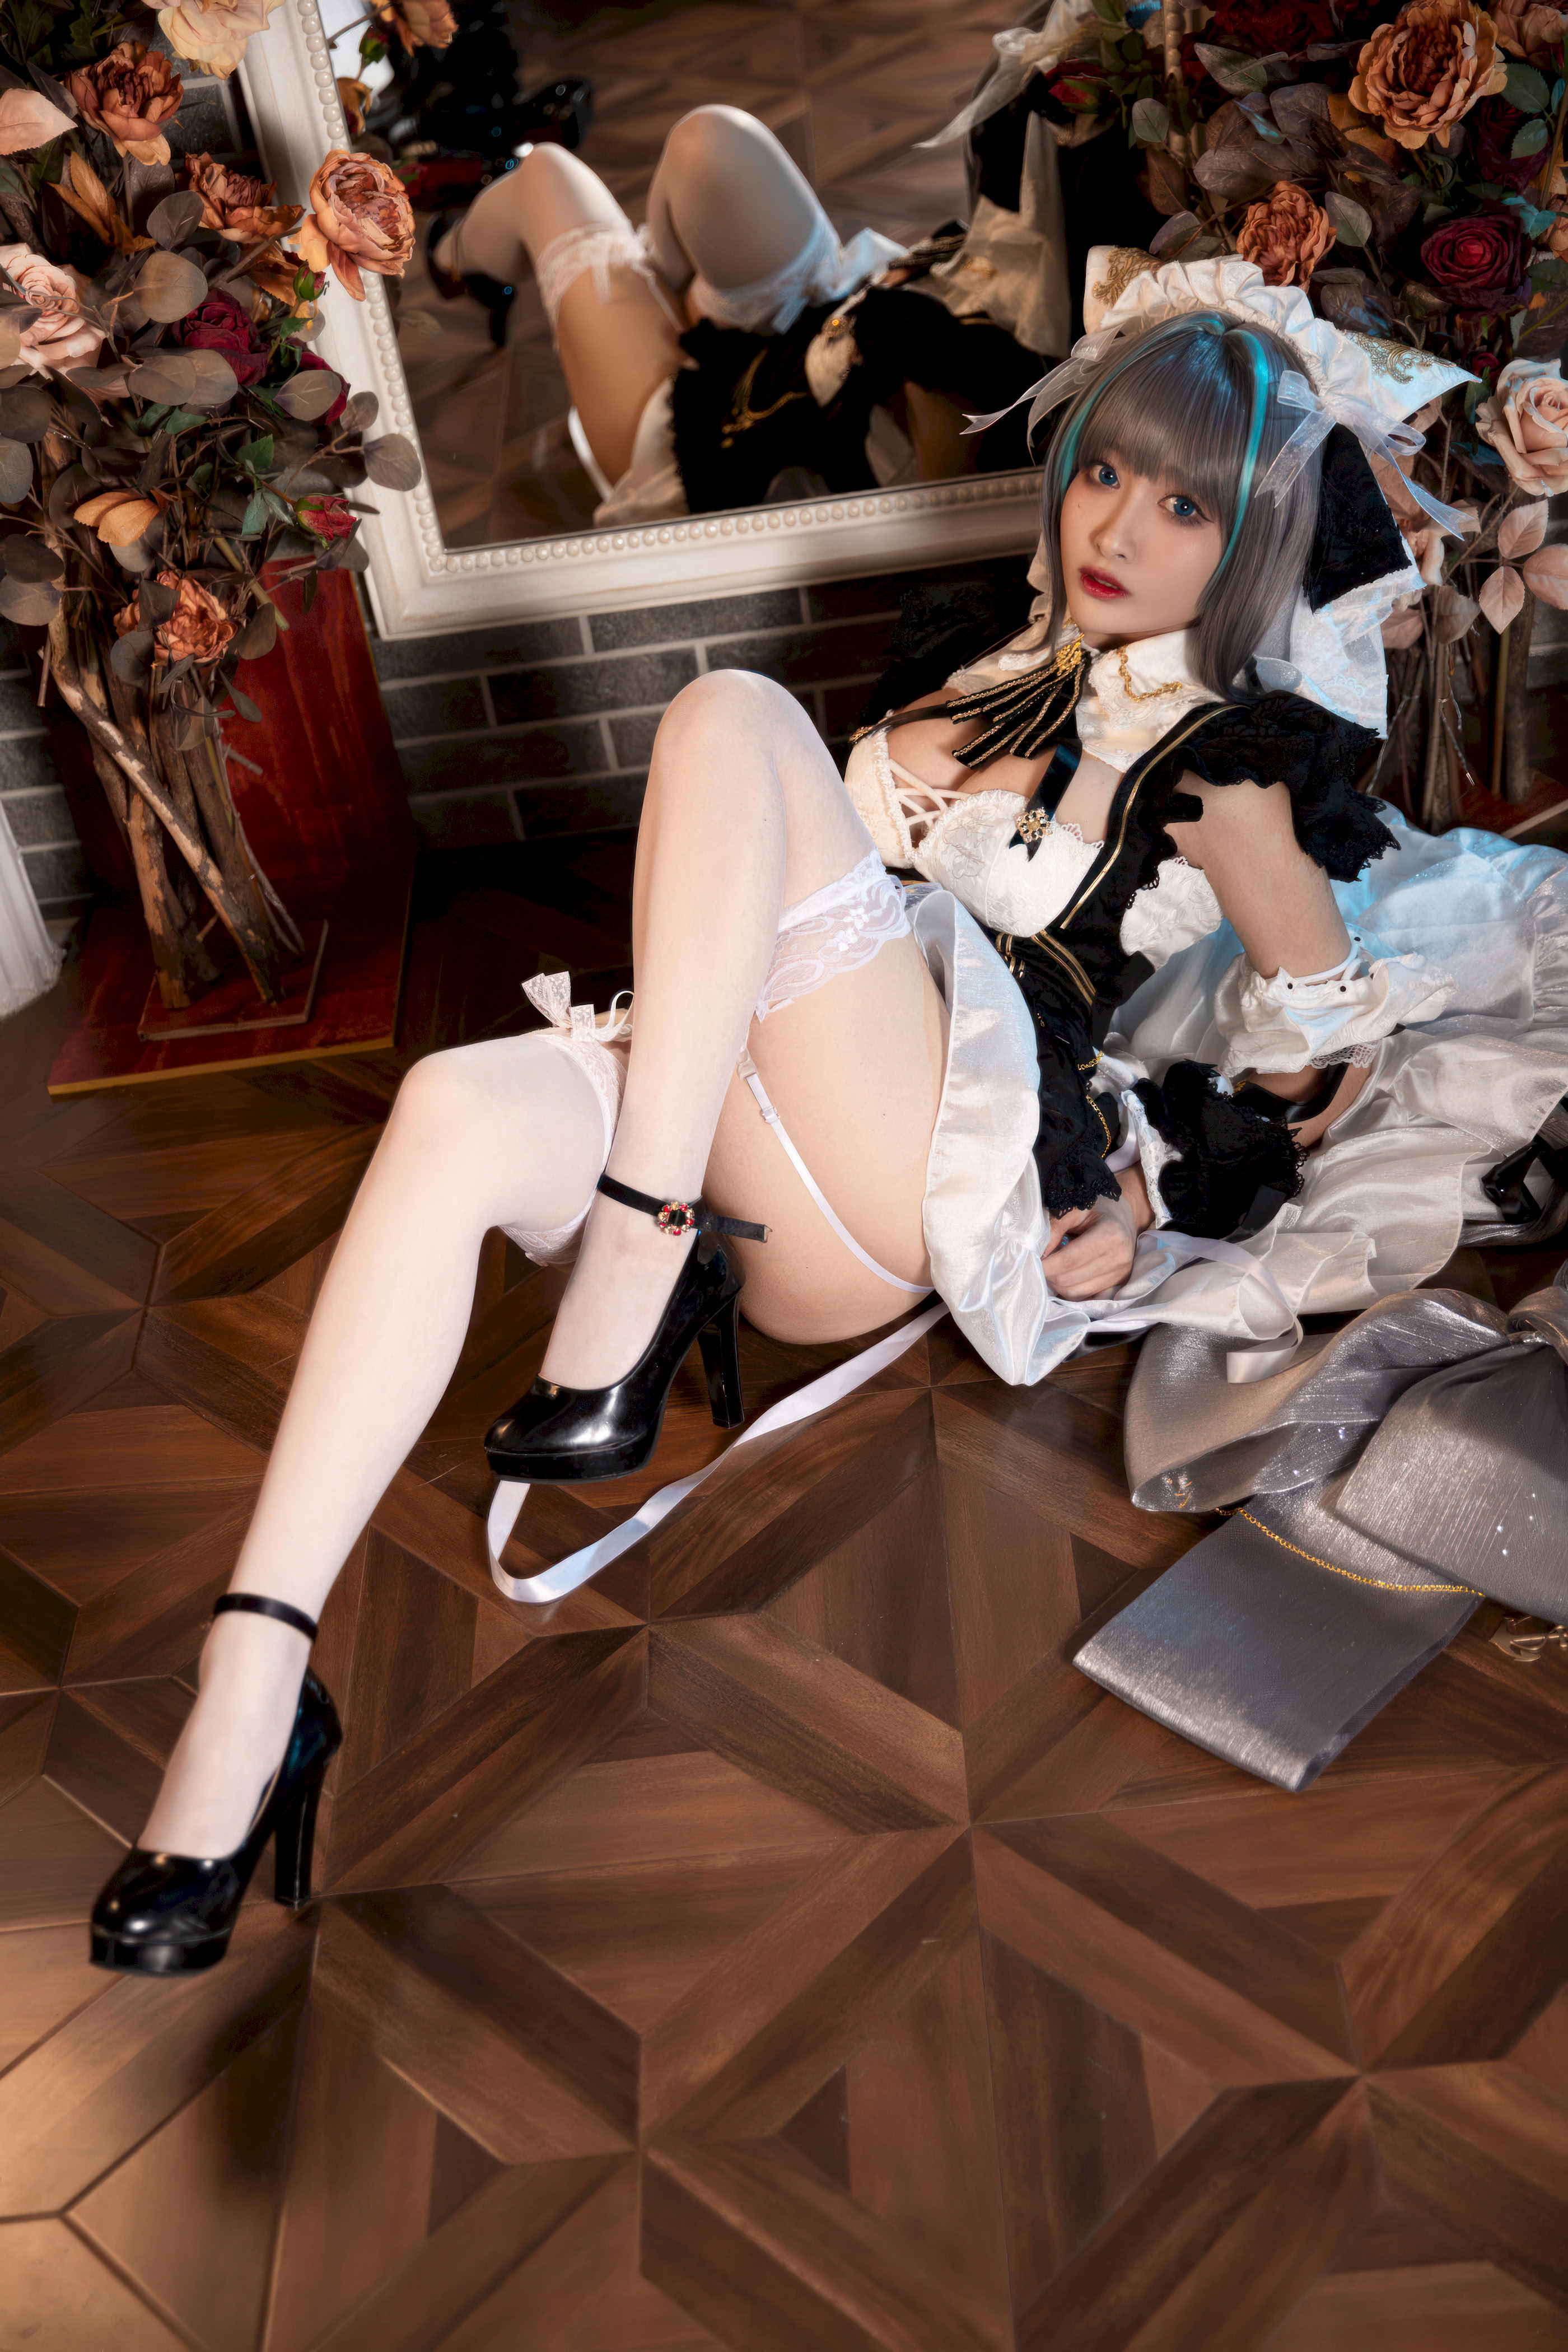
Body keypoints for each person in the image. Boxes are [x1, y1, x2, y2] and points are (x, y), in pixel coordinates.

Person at [88, 249, 1567, 1975]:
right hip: (734, 1106)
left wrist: (1155, 1192)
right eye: (1104, 467)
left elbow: (1318, 1067)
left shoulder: (1233, 765)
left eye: (1184, 505)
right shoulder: (984, 663)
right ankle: (254, 1685)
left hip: (892, 1167)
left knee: (730, 708)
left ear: (1251, 543)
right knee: (446, 1106)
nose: (1117, 524)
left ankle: (637, 1262)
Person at [423, 102, 1046, 511]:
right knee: (711, 140)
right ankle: (654, 285)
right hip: (829, 327)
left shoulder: (984, 400)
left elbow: (939, 528)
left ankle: (452, 254)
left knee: (548, 174)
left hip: (724, 446)